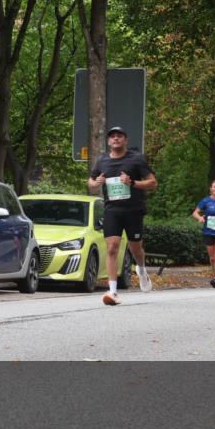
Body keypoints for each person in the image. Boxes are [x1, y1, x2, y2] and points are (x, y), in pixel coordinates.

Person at [87, 126, 158, 305]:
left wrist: (132, 182)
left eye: (119, 136)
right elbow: (91, 182)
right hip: (112, 210)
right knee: (112, 247)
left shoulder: (136, 159)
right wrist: (95, 183)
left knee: (136, 249)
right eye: (112, 136)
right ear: (109, 141)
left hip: (134, 210)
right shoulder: (102, 160)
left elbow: (152, 183)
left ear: (125, 140)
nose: (116, 139)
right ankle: (113, 292)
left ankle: (141, 270)